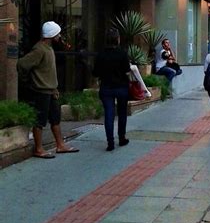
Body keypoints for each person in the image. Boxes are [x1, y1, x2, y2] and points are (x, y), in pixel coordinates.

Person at [17, 21, 80, 159]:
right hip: (41, 91)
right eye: (57, 34)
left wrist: (54, 88)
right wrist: (29, 82)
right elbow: (22, 64)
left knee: (55, 119)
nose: (59, 37)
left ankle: (60, 145)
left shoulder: (49, 49)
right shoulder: (39, 49)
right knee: (39, 120)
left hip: (50, 90)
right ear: (52, 35)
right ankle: (39, 149)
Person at [93, 28, 131, 151]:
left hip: (106, 87)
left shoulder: (101, 54)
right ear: (117, 39)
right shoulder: (122, 53)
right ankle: (122, 137)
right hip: (121, 87)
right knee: (122, 113)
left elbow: (95, 72)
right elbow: (127, 70)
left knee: (109, 114)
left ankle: (110, 142)